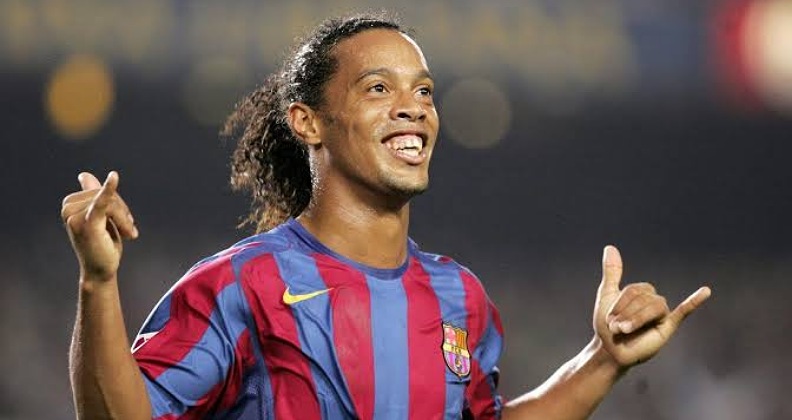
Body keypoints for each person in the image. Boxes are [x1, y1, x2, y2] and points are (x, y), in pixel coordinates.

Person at [61, 13, 711, 420]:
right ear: (308, 122)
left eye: (424, 91)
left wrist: (602, 361)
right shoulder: (241, 285)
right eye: (378, 88)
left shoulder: (461, 297)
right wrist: (98, 281)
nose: (414, 107)